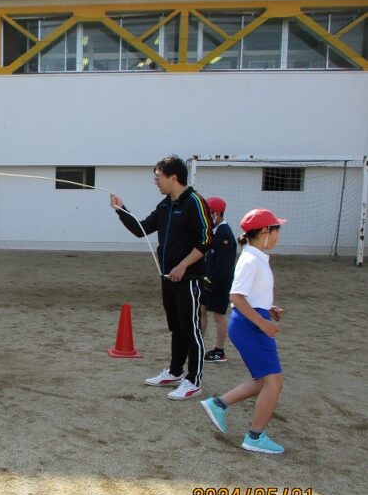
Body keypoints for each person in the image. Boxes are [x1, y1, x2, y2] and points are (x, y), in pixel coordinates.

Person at [110, 155, 213, 400]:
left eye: (158, 177)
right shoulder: (165, 206)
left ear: (173, 177)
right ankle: (175, 372)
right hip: (167, 277)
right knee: (176, 328)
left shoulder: (195, 202)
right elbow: (140, 229)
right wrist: (121, 209)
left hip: (188, 279)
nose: (156, 182)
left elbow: (207, 239)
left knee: (191, 330)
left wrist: (183, 266)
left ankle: (194, 381)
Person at [201, 209, 287, 454]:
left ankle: (219, 404)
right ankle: (255, 437)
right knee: (274, 381)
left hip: (252, 320)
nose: (278, 235)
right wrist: (262, 323)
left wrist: (267, 309)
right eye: (276, 229)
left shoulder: (255, 257)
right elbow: (236, 296)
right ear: (264, 231)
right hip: (251, 325)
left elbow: (248, 295)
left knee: (264, 379)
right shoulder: (251, 259)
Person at [200, 197, 237, 363]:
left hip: (219, 283)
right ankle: (198, 343)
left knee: (218, 315)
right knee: (201, 311)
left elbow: (224, 265)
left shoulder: (225, 234)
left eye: (208, 214)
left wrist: (211, 283)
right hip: (208, 280)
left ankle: (219, 350)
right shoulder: (214, 232)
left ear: (216, 213)